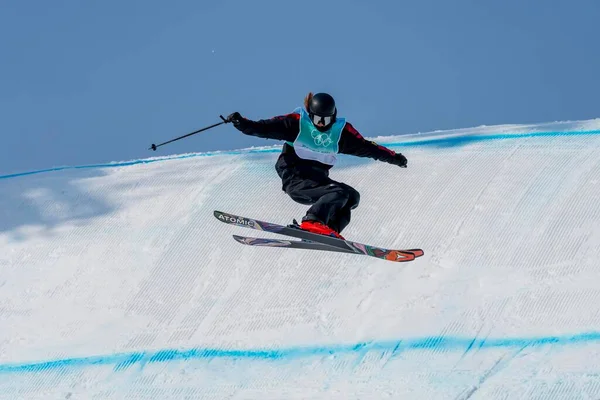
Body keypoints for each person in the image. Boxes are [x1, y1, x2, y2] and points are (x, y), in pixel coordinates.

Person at [226, 92, 407, 240]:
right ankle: (313, 220)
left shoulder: (341, 135)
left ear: (333, 117)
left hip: (317, 181)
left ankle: (328, 230)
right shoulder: (296, 124)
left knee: (352, 196)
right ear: (310, 115)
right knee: (339, 193)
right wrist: (241, 123)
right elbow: (264, 128)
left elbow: (368, 148)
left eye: (325, 120)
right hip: (295, 178)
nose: (321, 124)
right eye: (317, 119)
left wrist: (394, 158)